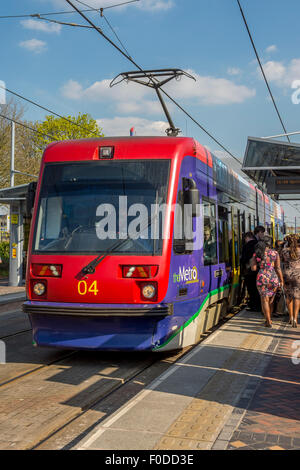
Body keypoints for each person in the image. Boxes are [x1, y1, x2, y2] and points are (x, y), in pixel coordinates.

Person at [251, 235, 284, 328]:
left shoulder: (257, 253)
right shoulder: (275, 253)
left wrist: (255, 262)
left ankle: (268, 321)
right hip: (273, 278)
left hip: (262, 278)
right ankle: (271, 318)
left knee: (264, 300)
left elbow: (253, 269)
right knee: (271, 300)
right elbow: (277, 268)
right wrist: (281, 280)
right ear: (270, 243)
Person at [280, 234, 300, 328]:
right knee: (297, 296)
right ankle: (296, 318)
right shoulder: (299, 250)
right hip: (298, 275)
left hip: (287, 275)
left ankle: (290, 317)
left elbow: (281, 262)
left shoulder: (284, 251)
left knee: (289, 296)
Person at [241, 232, 261, 311]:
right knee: (257, 289)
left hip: (249, 270)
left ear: (247, 237)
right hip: (258, 270)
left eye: (245, 239)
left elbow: (244, 259)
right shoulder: (258, 244)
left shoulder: (246, 246)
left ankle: (254, 306)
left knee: (251, 289)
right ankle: (259, 305)